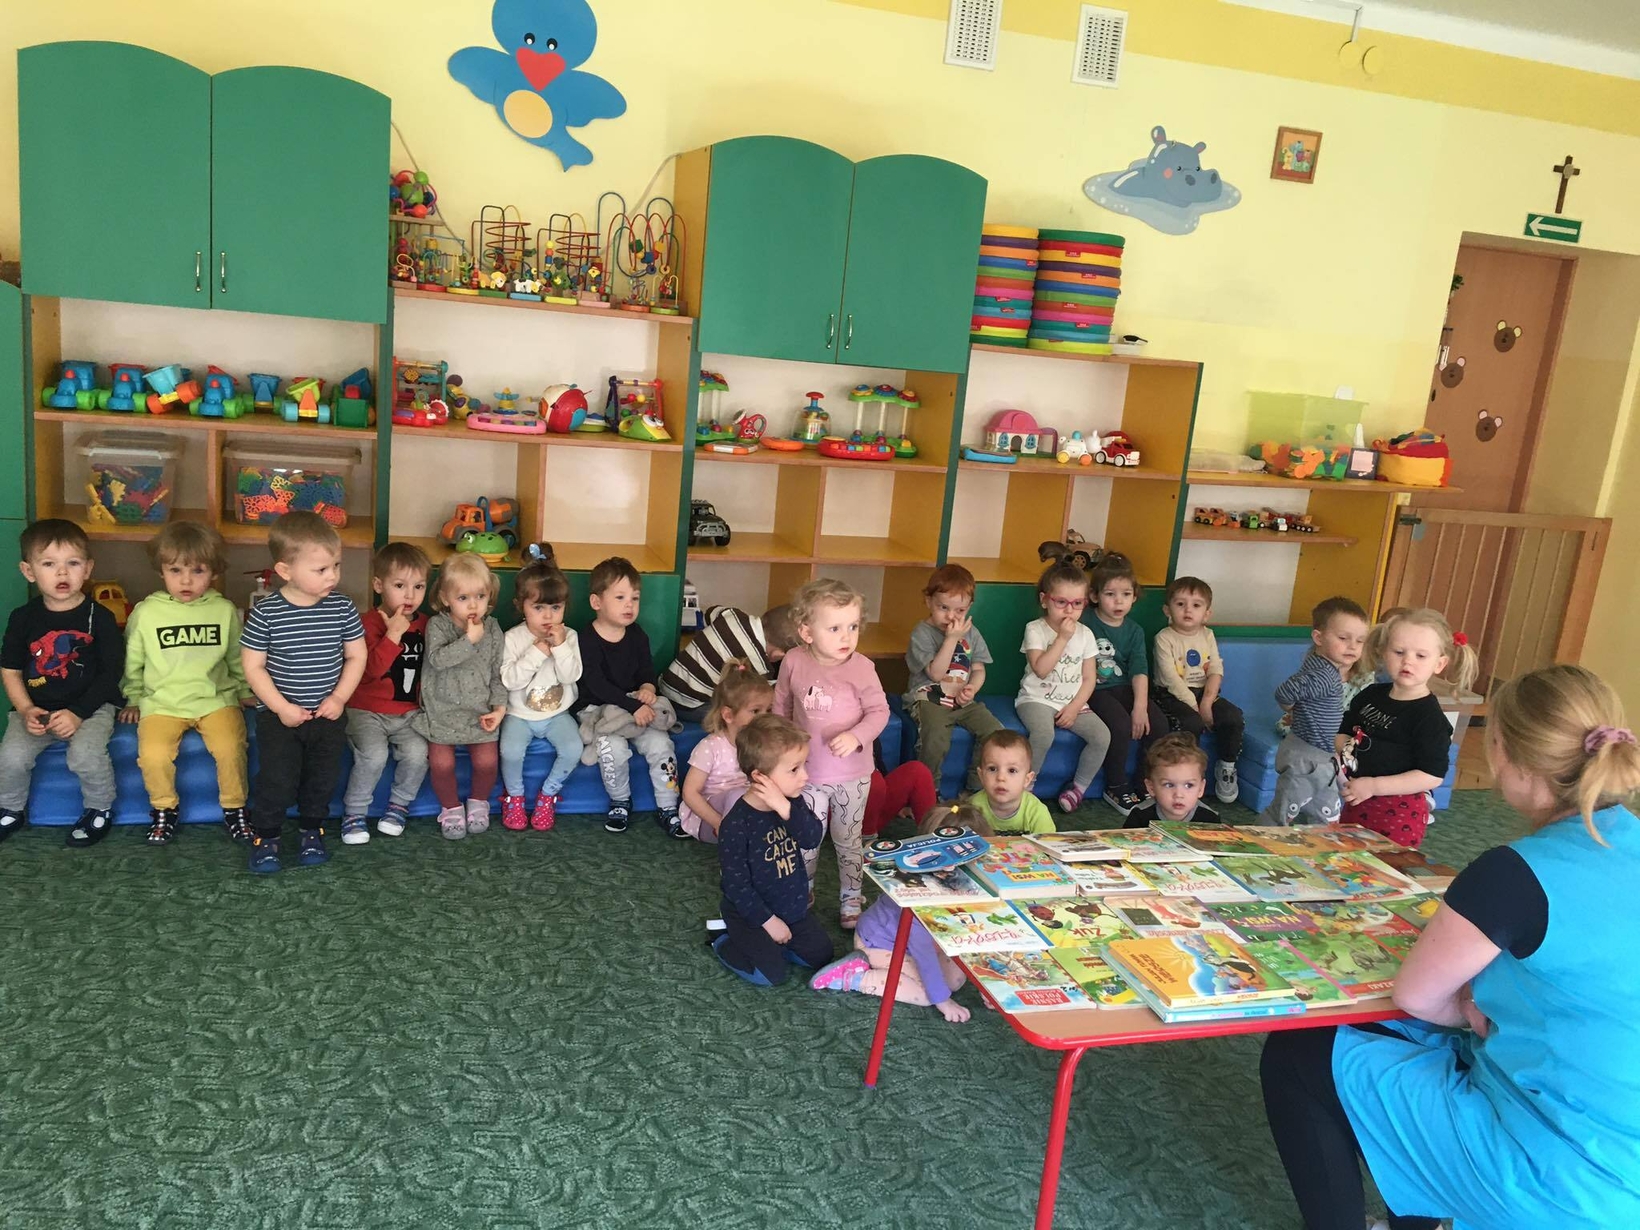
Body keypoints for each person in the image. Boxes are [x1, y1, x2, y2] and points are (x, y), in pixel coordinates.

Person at [1262, 663, 1640, 1230]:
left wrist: (1467, 1007)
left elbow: (1418, 997)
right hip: (1621, 1155)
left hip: (1558, 1176)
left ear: (1510, 756)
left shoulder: (1513, 872)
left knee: (1299, 1055)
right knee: (1414, 1044)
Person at [240, 511, 366, 874]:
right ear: (285, 570)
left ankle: (313, 830)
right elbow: (253, 667)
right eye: (321, 569)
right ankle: (266, 836)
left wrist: (338, 698)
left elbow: (356, 655)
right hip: (279, 718)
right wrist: (281, 707)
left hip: (327, 715)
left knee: (322, 779)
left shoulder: (342, 608)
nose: (332, 576)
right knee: (277, 779)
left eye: (336, 566)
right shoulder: (266, 613)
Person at [120, 522, 252, 846]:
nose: (186, 580)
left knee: (231, 748)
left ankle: (235, 808)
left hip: (216, 700)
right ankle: (164, 809)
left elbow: (236, 657)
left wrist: (245, 691)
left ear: (214, 572)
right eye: (176, 570)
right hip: (162, 703)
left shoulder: (223, 610)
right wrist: (133, 698)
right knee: (153, 755)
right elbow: (133, 660)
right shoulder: (147, 612)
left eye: (198, 570)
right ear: (161, 571)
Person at [0, 519, 123, 847]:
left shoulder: (100, 617)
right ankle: (11, 810)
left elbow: (111, 673)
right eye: (49, 564)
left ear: (88, 568)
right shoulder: (23, 618)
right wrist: (25, 709)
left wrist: (78, 713)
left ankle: (99, 809)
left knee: (85, 755)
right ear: (29, 571)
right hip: (36, 708)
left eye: (73, 563)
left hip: (91, 708)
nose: (62, 573)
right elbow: (10, 669)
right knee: (11, 757)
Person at [774, 577, 888, 930]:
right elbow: (782, 705)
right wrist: (781, 751)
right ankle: (803, 890)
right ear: (807, 632)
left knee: (848, 840)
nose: (846, 637)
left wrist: (856, 736)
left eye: (853, 626)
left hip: (852, 776)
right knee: (806, 840)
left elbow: (879, 712)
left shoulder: (862, 668)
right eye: (835, 628)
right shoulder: (793, 661)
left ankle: (851, 897)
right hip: (806, 775)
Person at [810, 803, 985, 1023]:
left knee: (955, 980)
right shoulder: (917, 900)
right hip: (879, 943)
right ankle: (854, 976)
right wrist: (943, 1001)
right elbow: (924, 955)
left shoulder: (961, 885)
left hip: (922, 942)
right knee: (926, 995)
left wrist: (986, 989)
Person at [1338, 608, 1476, 848]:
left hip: (1398, 814)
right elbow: (1344, 731)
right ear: (1384, 653)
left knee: (1388, 864)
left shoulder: (1429, 717)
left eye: (1421, 656)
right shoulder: (1370, 695)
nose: (1408, 661)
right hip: (1356, 799)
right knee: (1348, 860)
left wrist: (1373, 785)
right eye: (1399, 652)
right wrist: (1344, 753)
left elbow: (1432, 775)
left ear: (1439, 664)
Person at [711, 714, 834, 985]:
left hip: (791, 908)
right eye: (794, 769)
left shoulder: (792, 802)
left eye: (804, 765)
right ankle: (722, 939)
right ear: (760, 776)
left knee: (822, 955)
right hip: (751, 915)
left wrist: (787, 809)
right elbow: (736, 886)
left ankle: (774, 946)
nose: (805, 776)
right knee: (770, 976)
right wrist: (768, 922)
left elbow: (812, 838)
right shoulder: (736, 824)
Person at [576, 556, 678, 835]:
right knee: (613, 749)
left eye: (635, 598)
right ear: (597, 602)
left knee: (661, 744)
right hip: (600, 711)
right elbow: (596, 684)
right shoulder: (587, 639)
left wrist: (648, 688)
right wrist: (632, 706)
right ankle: (620, 800)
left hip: (635, 708)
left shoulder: (637, 635)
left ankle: (668, 805)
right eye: (620, 597)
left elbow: (646, 669)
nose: (629, 605)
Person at [412, 552, 507, 840]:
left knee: (487, 762)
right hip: (441, 711)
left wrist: (499, 708)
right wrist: (469, 640)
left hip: (479, 711)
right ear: (445, 598)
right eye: (463, 598)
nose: (473, 605)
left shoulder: (493, 629)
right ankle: (451, 807)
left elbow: (497, 673)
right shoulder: (438, 625)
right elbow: (438, 660)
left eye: (480, 596)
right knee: (442, 764)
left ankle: (478, 802)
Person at [342, 542, 431, 843]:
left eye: (418, 586)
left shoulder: (426, 625)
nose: (410, 596)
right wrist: (393, 634)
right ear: (379, 585)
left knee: (418, 754)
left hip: (408, 713)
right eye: (399, 585)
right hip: (366, 710)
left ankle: (398, 806)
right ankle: (354, 812)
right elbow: (368, 671)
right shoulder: (366, 624)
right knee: (374, 755)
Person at [1015, 560, 1111, 815]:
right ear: (1045, 600)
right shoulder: (1035, 629)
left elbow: (1089, 678)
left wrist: (1075, 707)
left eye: (1077, 603)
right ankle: (1026, 787)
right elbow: (1041, 669)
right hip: (1036, 699)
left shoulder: (1086, 634)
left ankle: (1078, 788)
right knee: (1043, 734)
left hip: (1072, 703)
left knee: (1102, 736)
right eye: (1061, 602)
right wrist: (1062, 638)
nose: (1069, 610)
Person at [1265, 596, 1370, 826]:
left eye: (1360, 640)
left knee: (1326, 812)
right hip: (1307, 757)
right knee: (1283, 812)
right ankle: (1259, 839)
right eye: (1343, 638)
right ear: (1319, 638)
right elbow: (1284, 692)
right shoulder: (1323, 675)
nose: (1353, 646)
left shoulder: (1324, 668)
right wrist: (1292, 709)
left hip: (1322, 756)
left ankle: (1323, 842)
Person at [498, 558, 582, 833]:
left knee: (573, 749)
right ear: (521, 606)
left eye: (555, 608)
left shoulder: (569, 636)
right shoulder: (512, 638)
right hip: (519, 715)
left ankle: (548, 795)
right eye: (538, 608)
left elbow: (571, 676)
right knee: (510, 751)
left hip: (557, 714)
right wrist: (537, 652)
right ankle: (515, 797)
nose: (548, 617)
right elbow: (509, 681)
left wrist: (559, 647)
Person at [904, 564, 1002, 793]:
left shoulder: (972, 633)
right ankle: (928, 791)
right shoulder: (922, 633)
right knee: (936, 738)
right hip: (929, 699)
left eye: (959, 610)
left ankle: (976, 788)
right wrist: (951, 639)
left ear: (969, 607)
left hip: (962, 701)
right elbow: (935, 674)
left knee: (994, 733)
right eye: (943, 607)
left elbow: (978, 669)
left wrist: (972, 689)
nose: (951, 616)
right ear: (929, 601)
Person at [1085, 555, 1167, 817]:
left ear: (1134, 596)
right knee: (1119, 725)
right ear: (1095, 596)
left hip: (1125, 688)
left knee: (1158, 724)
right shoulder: (1085, 623)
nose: (1118, 601)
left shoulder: (1134, 631)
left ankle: (1144, 782)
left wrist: (1140, 707)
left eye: (1126, 594)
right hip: (1094, 689)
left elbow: (1140, 670)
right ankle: (1116, 785)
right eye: (1110, 594)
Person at [1152, 576, 1243, 804]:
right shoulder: (1164, 638)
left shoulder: (1207, 635)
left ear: (1207, 613)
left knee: (1232, 717)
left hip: (1203, 692)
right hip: (1171, 694)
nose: (1188, 610)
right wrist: (1195, 707)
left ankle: (1227, 766)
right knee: (1191, 722)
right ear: (1167, 610)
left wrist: (1207, 702)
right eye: (1180, 604)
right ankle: (1188, 777)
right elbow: (1170, 678)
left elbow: (1216, 670)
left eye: (1196, 605)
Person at [678, 659, 772, 842]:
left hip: (746, 811)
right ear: (728, 715)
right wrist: (718, 823)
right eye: (755, 711)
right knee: (738, 796)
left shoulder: (761, 744)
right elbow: (690, 793)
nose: (764, 717)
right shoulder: (710, 747)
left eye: (768, 710)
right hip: (709, 820)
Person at [658, 602, 797, 722]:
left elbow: (709, 613)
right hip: (690, 707)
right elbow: (772, 696)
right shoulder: (760, 667)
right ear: (780, 654)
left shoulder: (733, 615)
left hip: (666, 686)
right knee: (747, 712)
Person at [1122, 732, 1218, 828]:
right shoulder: (1140, 816)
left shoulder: (1210, 820)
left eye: (1189, 785)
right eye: (1169, 785)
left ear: (1201, 788)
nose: (1179, 795)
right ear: (1151, 787)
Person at [971, 729, 1054, 835]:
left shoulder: (1037, 813)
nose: (1001, 777)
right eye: (992, 769)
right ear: (981, 775)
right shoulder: (972, 809)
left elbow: (1047, 843)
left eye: (1012, 770)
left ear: (1027, 780)